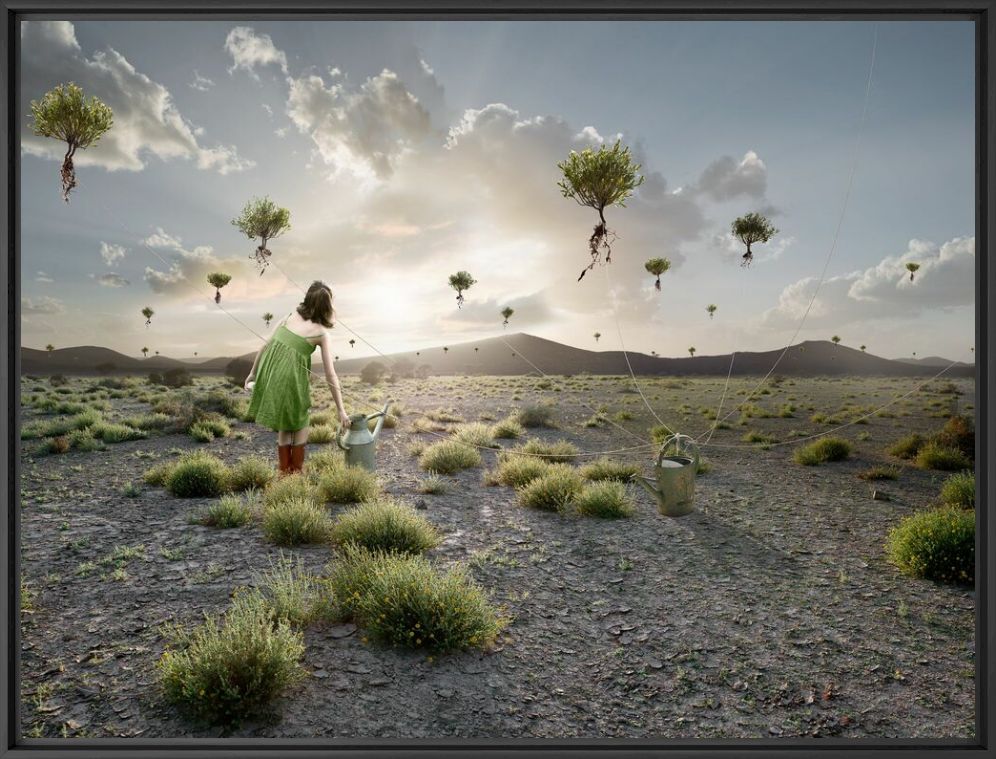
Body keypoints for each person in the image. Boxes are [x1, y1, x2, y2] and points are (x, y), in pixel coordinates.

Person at [244, 281, 350, 474]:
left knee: (286, 425)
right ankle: (296, 473)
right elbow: (330, 374)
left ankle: (284, 474)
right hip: (290, 378)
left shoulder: (289, 316)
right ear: (328, 306)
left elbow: (266, 345)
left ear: (307, 298)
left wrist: (252, 373)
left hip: (269, 373)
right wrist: (341, 410)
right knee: (301, 421)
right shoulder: (322, 333)